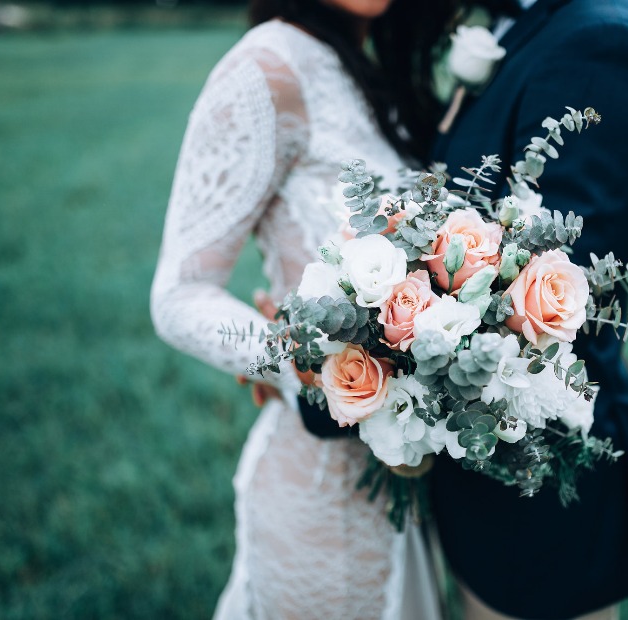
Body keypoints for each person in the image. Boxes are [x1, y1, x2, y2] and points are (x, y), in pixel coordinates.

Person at [150, 1, 458, 617]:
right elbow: (178, 293)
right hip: (320, 501)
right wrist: (296, 360)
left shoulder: (371, 70)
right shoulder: (266, 68)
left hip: (404, 501)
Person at [429, 0, 628, 619]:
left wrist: (344, 376)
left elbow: (546, 321)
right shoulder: (521, 22)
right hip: (481, 486)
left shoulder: (604, 52)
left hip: (541, 509)